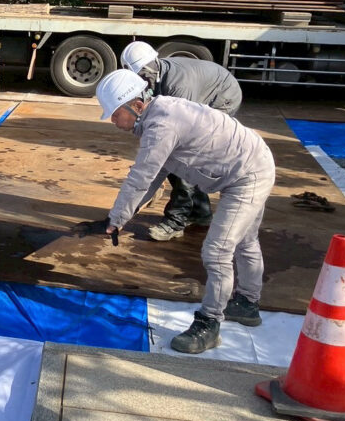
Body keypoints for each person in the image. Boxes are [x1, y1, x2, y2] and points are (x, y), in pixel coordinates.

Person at [92, 69, 275, 354]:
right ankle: (248, 305)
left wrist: (114, 219)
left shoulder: (162, 125)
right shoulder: (161, 117)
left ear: (137, 105)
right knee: (246, 241)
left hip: (247, 176)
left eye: (115, 114)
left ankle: (209, 324)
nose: (113, 121)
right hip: (252, 163)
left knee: (217, 250)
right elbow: (153, 178)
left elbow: (141, 177)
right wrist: (120, 218)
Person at [120, 41, 243, 242]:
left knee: (184, 157)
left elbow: (179, 135)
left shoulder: (179, 86)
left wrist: (152, 174)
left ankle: (176, 221)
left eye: (142, 75)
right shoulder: (153, 77)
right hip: (207, 88)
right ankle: (200, 213)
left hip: (223, 97)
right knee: (169, 156)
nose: (141, 80)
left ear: (152, 65)